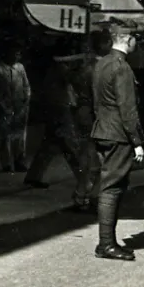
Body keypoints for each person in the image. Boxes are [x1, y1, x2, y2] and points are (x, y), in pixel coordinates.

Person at [89, 25, 144, 261]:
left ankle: (106, 242)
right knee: (112, 187)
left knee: (108, 184)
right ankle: (106, 244)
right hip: (118, 134)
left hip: (103, 129)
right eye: (135, 39)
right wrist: (137, 142)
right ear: (128, 40)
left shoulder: (101, 63)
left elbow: (97, 101)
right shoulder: (122, 68)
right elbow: (128, 109)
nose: (137, 44)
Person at [27, 47, 96, 210]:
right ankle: (83, 182)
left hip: (56, 107)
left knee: (50, 144)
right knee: (69, 146)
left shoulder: (54, 71)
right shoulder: (61, 69)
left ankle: (34, 175)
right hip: (60, 108)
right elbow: (76, 79)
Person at [0, 41, 32, 177]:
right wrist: (1, 105)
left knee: (20, 136)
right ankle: (7, 163)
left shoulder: (20, 68)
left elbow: (26, 86)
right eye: (15, 53)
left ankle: (20, 160)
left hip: (21, 106)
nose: (17, 56)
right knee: (6, 136)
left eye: (19, 54)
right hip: (6, 107)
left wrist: (26, 100)